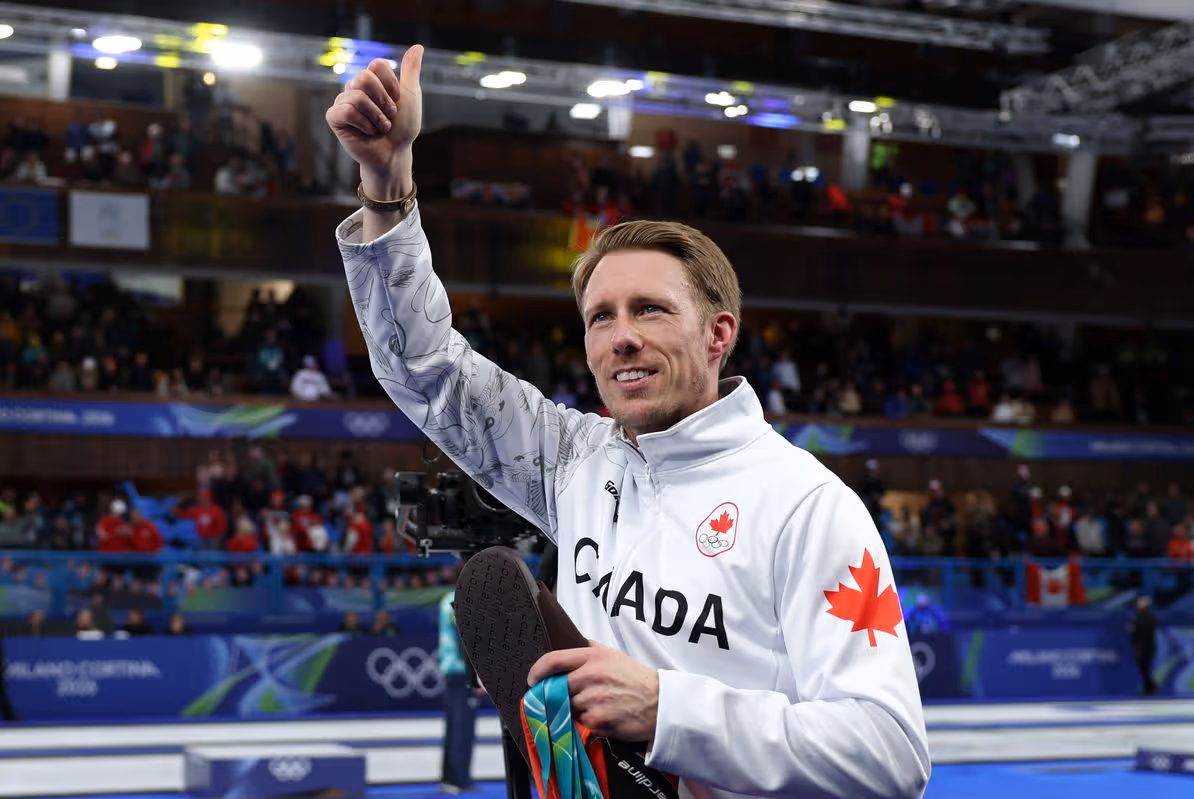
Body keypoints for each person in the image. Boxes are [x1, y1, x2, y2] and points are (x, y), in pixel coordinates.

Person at [327, 49, 930, 799]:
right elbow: (426, 371)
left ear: (718, 333)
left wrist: (669, 711)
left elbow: (890, 751)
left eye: (650, 308)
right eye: (600, 317)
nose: (621, 338)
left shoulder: (808, 507)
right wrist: (387, 187)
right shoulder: (576, 461)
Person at [438, 583, 483, 794]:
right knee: (462, 728)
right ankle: (459, 779)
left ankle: (450, 777)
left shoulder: (447, 598)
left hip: (452, 670)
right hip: (461, 671)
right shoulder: (459, 599)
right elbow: (461, 638)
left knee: (454, 726)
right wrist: (474, 675)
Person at [1129, 595, 1158, 695]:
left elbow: (1139, 633)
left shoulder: (1147, 619)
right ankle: (1150, 686)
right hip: (1144, 646)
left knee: (1145, 667)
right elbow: (1134, 633)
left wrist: (1133, 629)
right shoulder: (1138, 618)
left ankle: (1151, 686)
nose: (1138, 606)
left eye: (1141, 604)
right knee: (1143, 668)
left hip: (1146, 647)